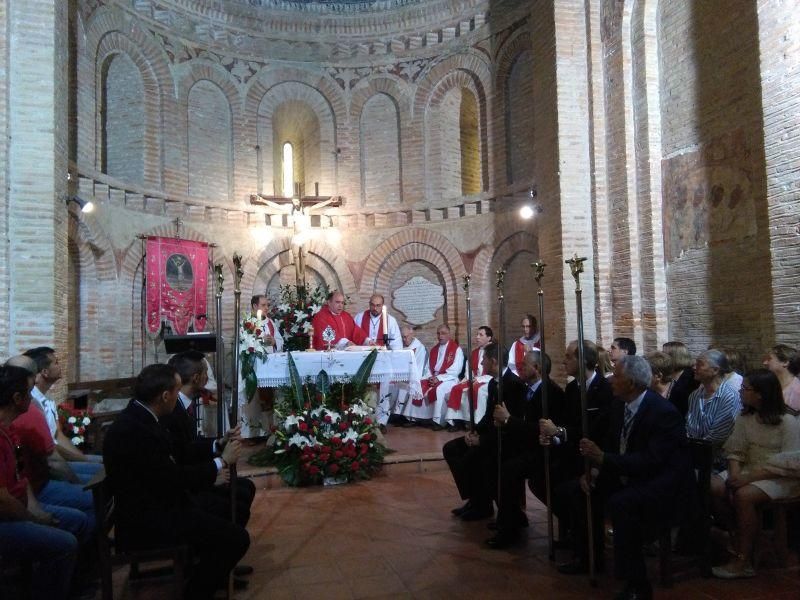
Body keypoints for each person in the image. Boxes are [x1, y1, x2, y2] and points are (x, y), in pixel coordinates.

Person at [103, 364, 250, 600]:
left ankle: (212, 570)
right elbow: (171, 477)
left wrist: (217, 445)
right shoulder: (134, 431)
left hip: (160, 503)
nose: (177, 398)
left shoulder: (143, 415)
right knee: (237, 538)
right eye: (176, 392)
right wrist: (220, 463)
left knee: (229, 518)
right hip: (148, 520)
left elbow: (177, 455)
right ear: (164, 396)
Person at [566, 356, 690, 600]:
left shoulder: (662, 412)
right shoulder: (619, 405)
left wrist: (604, 460)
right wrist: (595, 469)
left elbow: (653, 460)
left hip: (661, 482)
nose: (611, 379)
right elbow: (612, 441)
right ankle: (590, 556)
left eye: (617, 375)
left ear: (631, 383)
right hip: (629, 473)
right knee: (576, 490)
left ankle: (637, 584)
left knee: (622, 504)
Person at [0, 364, 83, 600]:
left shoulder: (10, 431)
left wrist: (36, 510)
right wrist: (34, 519)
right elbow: (3, 499)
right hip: (5, 519)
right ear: (17, 398)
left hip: (21, 507)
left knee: (77, 520)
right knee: (64, 544)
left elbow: (21, 476)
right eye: (29, 390)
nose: (33, 394)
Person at [711, 369, 800, 578]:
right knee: (712, 485)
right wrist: (734, 476)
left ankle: (744, 560)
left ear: (761, 393)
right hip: (748, 470)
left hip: (780, 476)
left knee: (744, 495)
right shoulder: (745, 418)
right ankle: (738, 536)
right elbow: (735, 450)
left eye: (745, 388)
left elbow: (791, 462)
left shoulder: (787, 421)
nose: (741, 392)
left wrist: (746, 479)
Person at [164, 352, 257, 529]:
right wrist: (217, 466)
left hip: (193, 474)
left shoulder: (183, 404)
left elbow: (189, 447)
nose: (209, 378)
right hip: (185, 488)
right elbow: (180, 456)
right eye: (206, 373)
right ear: (196, 378)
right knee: (239, 503)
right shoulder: (172, 412)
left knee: (245, 489)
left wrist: (219, 442)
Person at [487, 350, 566, 548]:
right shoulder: (525, 389)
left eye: (525, 364)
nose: (520, 367)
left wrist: (508, 420)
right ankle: (511, 516)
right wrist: (504, 423)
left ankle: (509, 531)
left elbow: (538, 428)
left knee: (510, 469)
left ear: (537, 368)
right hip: (525, 446)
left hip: (544, 451)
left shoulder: (551, 393)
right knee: (493, 456)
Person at [442, 342, 527, 523]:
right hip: (489, 434)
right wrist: (473, 432)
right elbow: (488, 416)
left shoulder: (514, 385)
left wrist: (482, 440)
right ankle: (475, 499)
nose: (481, 365)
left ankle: (483, 505)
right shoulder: (492, 384)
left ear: (494, 361)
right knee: (451, 448)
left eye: (484, 361)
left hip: (505, 439)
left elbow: (510, 425)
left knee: (471, 458)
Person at [23, 347, 103, 483]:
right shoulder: (31, 403)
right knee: (101, 476)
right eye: (56, 363)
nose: (60, 366)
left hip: (59, 458)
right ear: (45, 372)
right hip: (47, 466)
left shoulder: (48, 397)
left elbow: (58, 435)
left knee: (106, 466)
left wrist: (84, 458)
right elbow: (50, 448)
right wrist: (85, 461)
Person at [686, 349, 740, 470]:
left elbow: (718, 437)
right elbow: (690, 427)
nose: (694, 367)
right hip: (694, 453)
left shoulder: (729, 396)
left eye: (700, 364)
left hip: (719, 459)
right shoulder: (695, 395)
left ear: (715, 370)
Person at [404, 324, 464, 430]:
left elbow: (456, 370)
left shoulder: (456, 349)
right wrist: (430, 377)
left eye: (443, 333)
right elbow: (428, 368)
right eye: (438, 333)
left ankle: (438, 421)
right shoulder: (434, 349)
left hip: (449, 379)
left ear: (449, 334)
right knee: (418, 385)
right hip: (434, 377)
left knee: (439, 390)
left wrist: (439, 378)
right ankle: (414, 418)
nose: (440, 336)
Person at [445, 325, 494, 430]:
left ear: (489, 338)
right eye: (477, 334)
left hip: (488, 381)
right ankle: (457, 421)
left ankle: (477, 422)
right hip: (474, 379)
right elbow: (469, 369)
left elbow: (496, 369)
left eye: (481, 335)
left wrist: (480, 379)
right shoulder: (474, 352)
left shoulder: (493, 351)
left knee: (478, 391)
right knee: (456, 389)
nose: (477, 337)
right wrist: (470, 378)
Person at [662, 341, 698, 417]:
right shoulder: (666, 374)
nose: (661, 358)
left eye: (664, 355)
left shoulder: (692, 378)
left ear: (675, 357)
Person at [762, 343, 800, 411]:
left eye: (769, 359)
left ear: (785, 362)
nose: (765, 363)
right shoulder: (768, 384)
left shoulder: (797, 391)